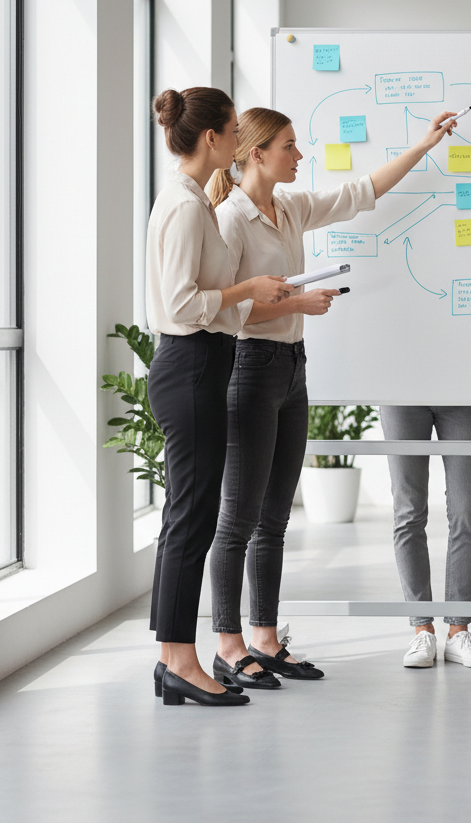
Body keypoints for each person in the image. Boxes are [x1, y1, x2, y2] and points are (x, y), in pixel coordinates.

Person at [207, 107, 458, 688]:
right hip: (249, 367)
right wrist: (295, 304)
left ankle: (265, 639)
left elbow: (362, 192)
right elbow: (224, 304)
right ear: (256, 153)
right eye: (290, 147)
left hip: (291, 368)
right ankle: (228, 645)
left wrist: (424, 144)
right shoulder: (230, 219)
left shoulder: (290, 207)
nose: (300, 156)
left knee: (274, 518)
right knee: (237, 518)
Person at [146, 87, 292, 707]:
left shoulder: (195, 201)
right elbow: (181, 305)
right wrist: (246, 291)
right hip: (194, 363)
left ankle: (173, 657)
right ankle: (179, 661)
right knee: (192, 516)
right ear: (211, 138)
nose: (238, 141)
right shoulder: (184, 206)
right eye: (233, 130)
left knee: (188, 513)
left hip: (201, 363)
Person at [380, 405, 471, 669]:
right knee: (408, 512)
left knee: (466, 512)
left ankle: (458, 631)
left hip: (463, 396)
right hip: (402, 398)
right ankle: (422, 631)